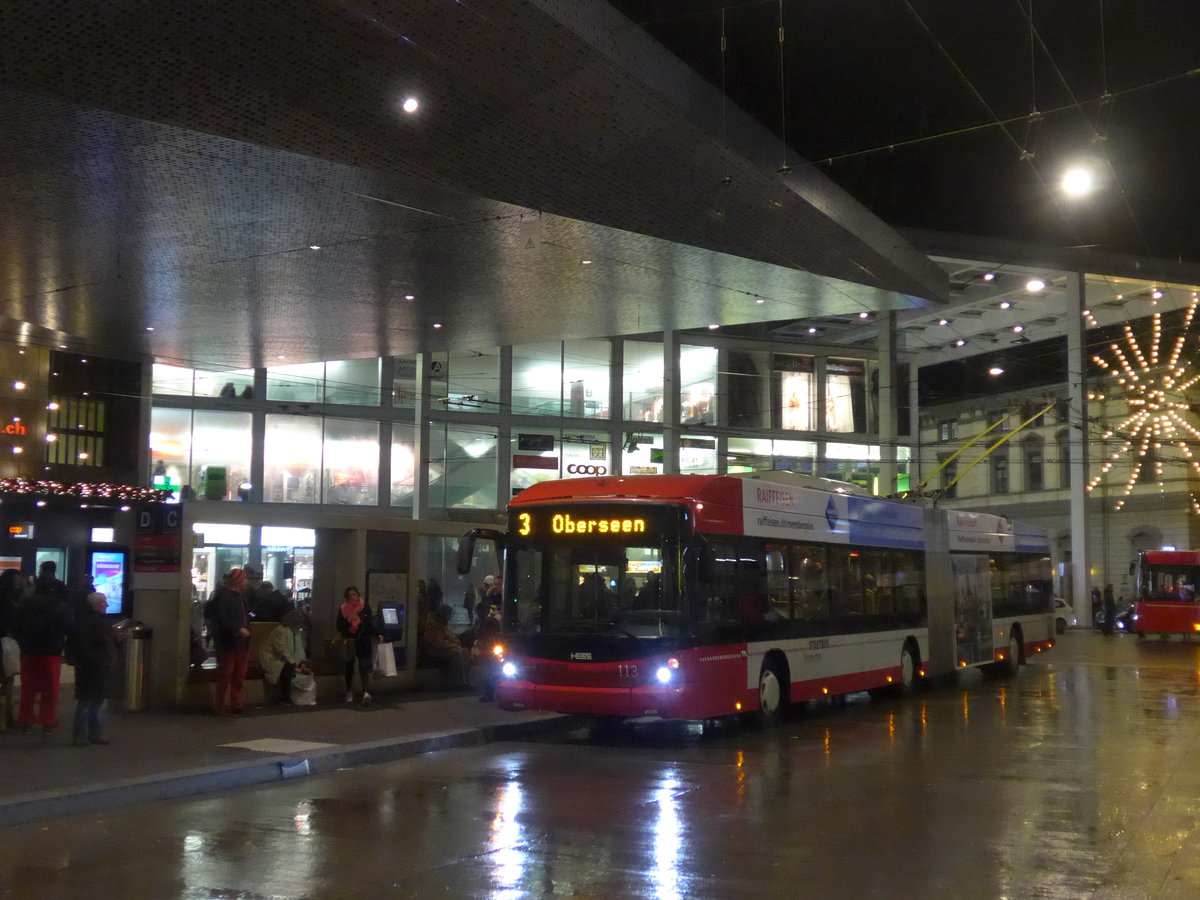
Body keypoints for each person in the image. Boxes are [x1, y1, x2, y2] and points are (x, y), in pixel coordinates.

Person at [11, 563, 74, 734]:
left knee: (28, 687)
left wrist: (23, 642)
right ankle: (48, 720)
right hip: (51, 651)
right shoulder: (60, 606)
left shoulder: (26, 603)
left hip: (29, 651)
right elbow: (69, 626)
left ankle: (26, 719)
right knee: (50, 688)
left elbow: (15, 626)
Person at [68, 591, 119, 746]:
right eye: (104, 602)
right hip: (93, 666)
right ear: (94, 605)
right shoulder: (92, 622)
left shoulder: (85, 620)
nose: (107, 605)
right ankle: (85, 735)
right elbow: (87, 646)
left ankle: (89, 734)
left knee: (93, 701)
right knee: (89, 701)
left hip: (94, 666)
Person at [210, 568, 252, 715]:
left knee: (237, 674)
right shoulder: (226, 596)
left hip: (239, 641)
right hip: (229, 642)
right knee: (227, 674)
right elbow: (221, 618)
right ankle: (221, 704)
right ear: (239, 581)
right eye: (244, 579)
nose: (246, 582)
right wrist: (238, 628)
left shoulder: (237, 596)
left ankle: (235, 703)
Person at [336, 586, 378, 705]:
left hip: (362, 639)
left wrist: (378, 633)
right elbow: (339, 627)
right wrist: (348, 620)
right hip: (350, 639)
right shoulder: (343, 609)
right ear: (347, 598)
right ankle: (349, 691)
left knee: (363, 667)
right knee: (349, 667)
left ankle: (366, 693)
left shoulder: (364, 607)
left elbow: (369, 623)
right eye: (350, 595)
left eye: (354, 594)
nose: (353, 597)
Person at [260, 610, 309, 704]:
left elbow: (299, 649)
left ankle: (290, 696)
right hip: (274, 659)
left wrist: (301, 662)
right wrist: (293, 663)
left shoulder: (295, 632)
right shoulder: (281, 630)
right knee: (287, 669)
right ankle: (286, 696)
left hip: (284, 658)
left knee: (293, 667)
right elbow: (281, 649)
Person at [421, 604, 470, 689]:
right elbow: (437, 643)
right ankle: (459, 682)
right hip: (434, 651)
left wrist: (455, 643)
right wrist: (454, 645)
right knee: (457, 653)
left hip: (445, 648)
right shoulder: (432, 625)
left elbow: (450, 637)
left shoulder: (442, 624)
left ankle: (464, 680)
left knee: (465, 652)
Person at [472, 605, 502, 702]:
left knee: (491, 671)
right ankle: (490, 692)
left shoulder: (487, 623)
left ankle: (491, 692)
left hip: (491, 650)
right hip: (489, 651)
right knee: (490, 672)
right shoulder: (486, 624)